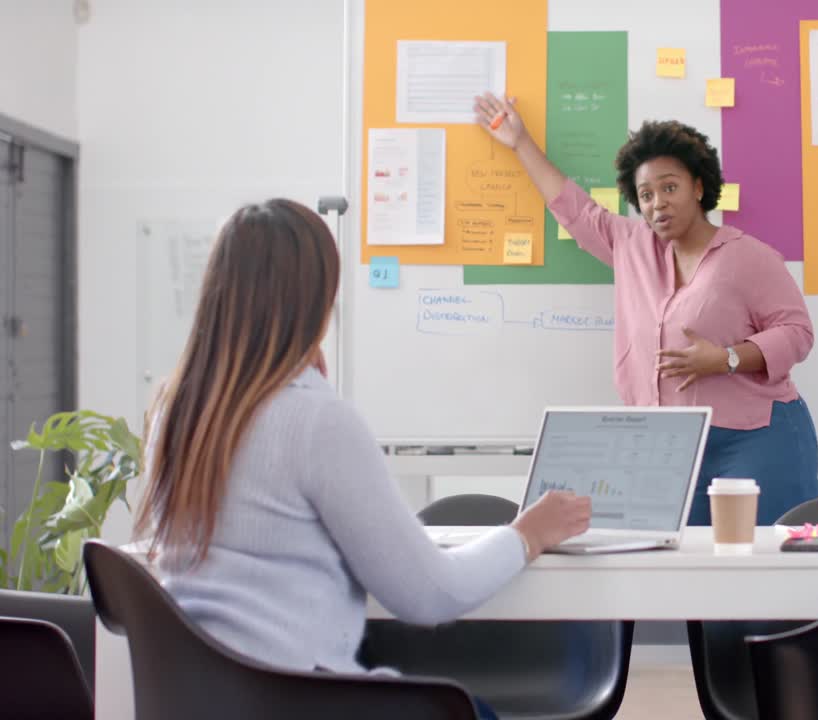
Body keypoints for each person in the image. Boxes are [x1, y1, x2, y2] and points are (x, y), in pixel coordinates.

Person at [134, 198, 591, 717]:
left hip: (197, 698)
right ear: (316, 301)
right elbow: (428, 595)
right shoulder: (315, 420)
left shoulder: (174, 409)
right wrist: (527, 534)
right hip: (299, 699)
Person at [475, 93, 818, 525]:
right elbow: (572, 209)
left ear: (698, 186)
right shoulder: (630, 246)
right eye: (646, 194)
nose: (658, 202)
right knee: (677, 571)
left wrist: (726, 358)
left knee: (761, 566)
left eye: (670, 187)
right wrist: (520, 141)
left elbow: (797, 331)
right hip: (667, 445)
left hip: (758, 438)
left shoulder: (749, 257)